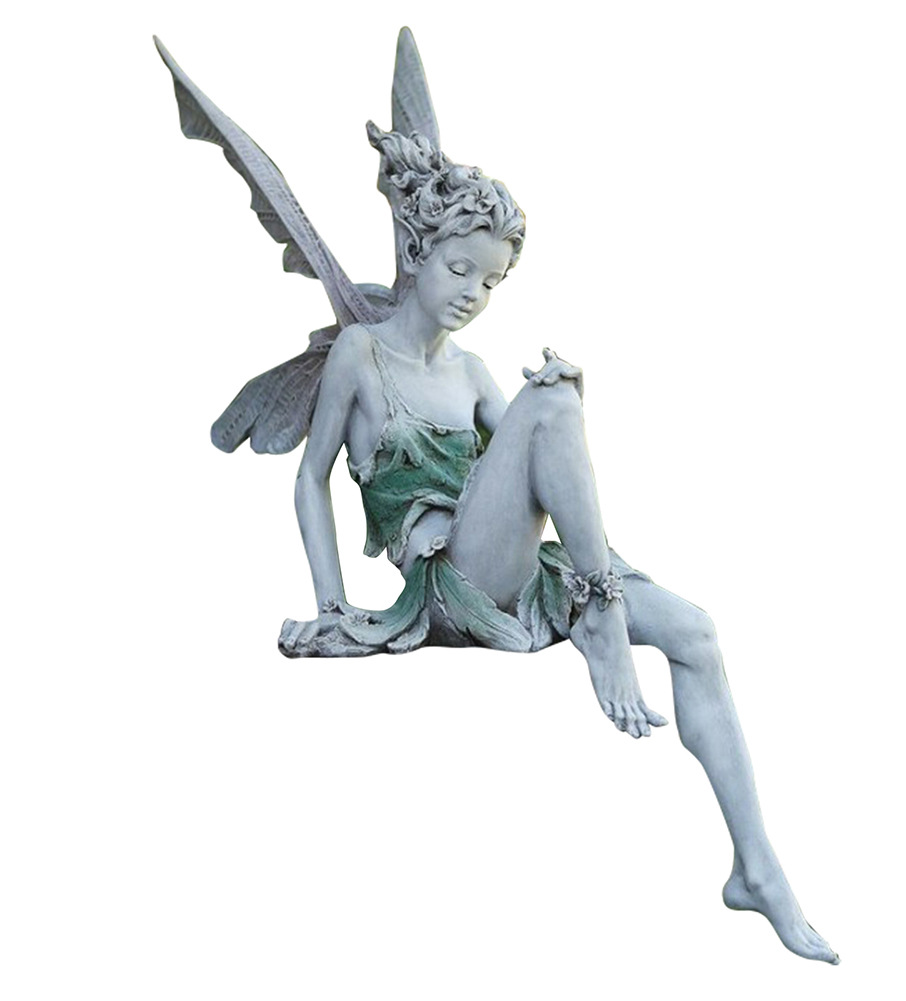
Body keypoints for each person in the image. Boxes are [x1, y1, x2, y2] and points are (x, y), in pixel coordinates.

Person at [156, 31, 838, 964]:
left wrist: (566, 405)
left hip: (524, 565)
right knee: (550, 403)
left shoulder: (473, 371)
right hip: (447, 581)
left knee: (697, 630)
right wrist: (333, 603)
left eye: (492, 279)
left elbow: (542, 472)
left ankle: (756, 868)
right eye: (459, 269)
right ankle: (602, 615)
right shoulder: (361, 354)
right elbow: (310, 480)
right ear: (415, 248)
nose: (474, 294)